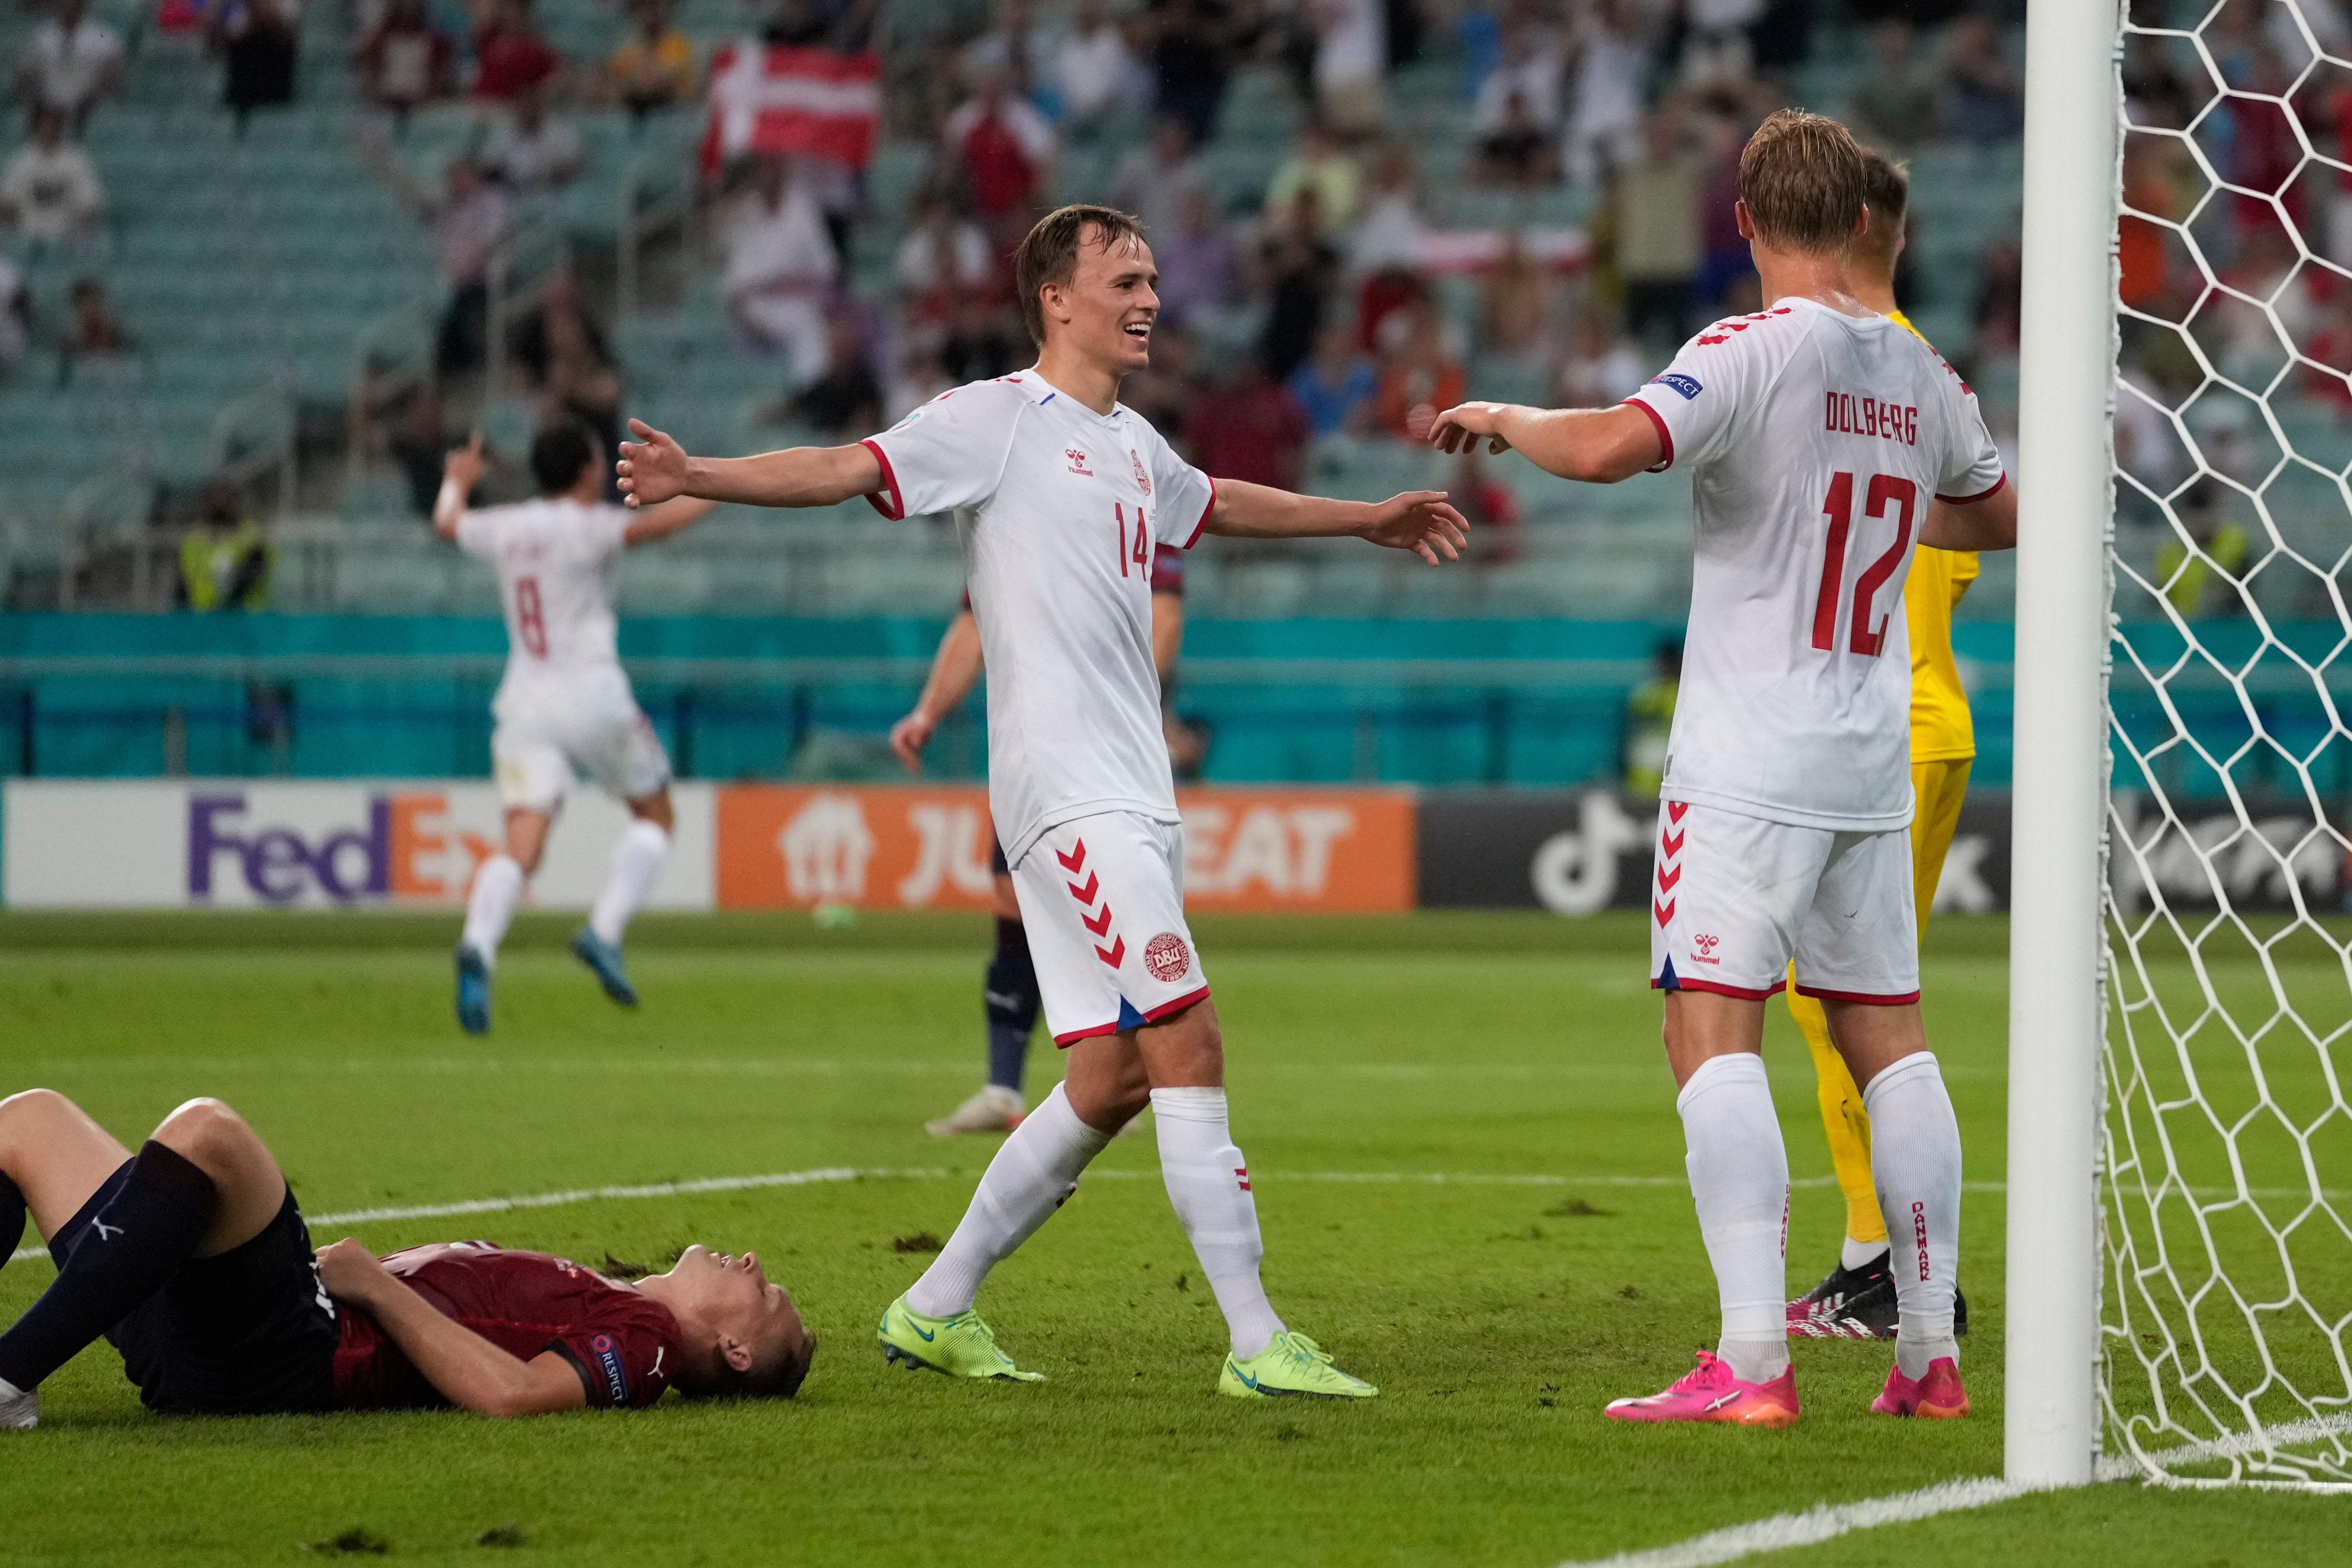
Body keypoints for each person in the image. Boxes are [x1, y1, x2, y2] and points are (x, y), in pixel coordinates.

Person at [615, 203, 1466, 1399]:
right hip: (1065, 794)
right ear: (1053, 297)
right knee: (1187, 1034)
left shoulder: (1131, 444)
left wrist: (1365, 519)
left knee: (1113, 1075)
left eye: (1155, 278)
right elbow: (845, 466)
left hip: (1130, 794)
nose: (1149, 299)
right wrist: (695, 472)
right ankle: (1254, 1339)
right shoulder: (993, 419)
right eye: (1124, 278)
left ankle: (932, 1304)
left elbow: (1216, 501)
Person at [1430, 109, 2017, 1426]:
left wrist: (1508, 413)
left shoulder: (1746, 348)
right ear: (1864, 223)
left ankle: (1750, 1360)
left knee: (1708, 1023)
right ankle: (1927, 1355)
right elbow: (2001, 511)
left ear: (1743, 223)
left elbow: (1601, 450)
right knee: (1890, 1036)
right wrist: (1861, 485)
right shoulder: (1919, 372)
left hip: (1747, 755)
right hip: (1869, 749)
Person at [0, 1088, 811, 1428]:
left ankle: (9, 1375)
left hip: (292, 1351)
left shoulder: (647, 1341)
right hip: (246, 1332)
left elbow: (517, 1395)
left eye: (765, 1290)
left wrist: (378, 1288)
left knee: (209, 1132)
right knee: (29, 1122)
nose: (751, 1259)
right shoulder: (615, 1297)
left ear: (735, 1349)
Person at [1782, 149, 1976, 1342]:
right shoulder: (1924, 377)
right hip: (1917, 715)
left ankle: (1903, 1272)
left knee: (1853, 1004)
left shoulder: (1841, 370)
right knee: (1832, 1001)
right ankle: (1877, 1258)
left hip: (1880, 728)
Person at [894, 540, 1190, 1138]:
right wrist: (927, 712)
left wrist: (1128, 703)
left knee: (1115, 905)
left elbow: (1164, 616)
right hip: (1033, 752)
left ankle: (1131, 1078)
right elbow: (973, 624)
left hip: (1106, 748)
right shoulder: (1004, 523)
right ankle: (1003, 1088)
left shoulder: (1125, 487)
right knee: (1011, 897)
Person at [435, 421, 718, 1033]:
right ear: (589, 471)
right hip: (593, 697)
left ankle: (480, 944)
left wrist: (456, 483)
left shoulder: (505, 525)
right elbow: (657, 526)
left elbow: (448, 524)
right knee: (657, 816)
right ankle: (603, 931)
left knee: (522, 846)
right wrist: (723, 486)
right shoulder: (591, 526)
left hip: (524, 705)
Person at [0, 106, 103, 245]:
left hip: (68, 235)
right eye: (43, 127)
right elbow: (7, 201)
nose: (48, 131)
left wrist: (76, 223)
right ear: (35, 129)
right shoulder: (22, 160)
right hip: (27, 234)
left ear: (60, 129)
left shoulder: (76, 160)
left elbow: (90, 202)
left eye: (52, 127)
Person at [15, 0, 123, 128]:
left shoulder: (102, 37)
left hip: (88, 107)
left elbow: (113, 75)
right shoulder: (43, 36)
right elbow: (26, 72)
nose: (68, 6)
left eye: (73, 2)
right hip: (48, 106)